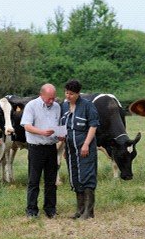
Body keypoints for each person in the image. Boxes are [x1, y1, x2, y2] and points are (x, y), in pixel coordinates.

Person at [60, 79, 99, 219]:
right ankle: (80, 210)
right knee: (75, 176)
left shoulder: (88, 106)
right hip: (71, 149)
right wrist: (64, 147)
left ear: (77, 94)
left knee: (87, 176)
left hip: (84, 148)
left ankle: (89, 211)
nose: (68, 96)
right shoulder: (64, 107)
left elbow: (93, 125)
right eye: (66, 92)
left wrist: (86, 144)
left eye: (71, 94)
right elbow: (64, 128)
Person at [20, 84, 61, 219]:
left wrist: (60, 134)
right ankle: (31, 209)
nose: (52, 101)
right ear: (41, 94)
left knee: (51, 180)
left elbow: (58, 125)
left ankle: (50, 208)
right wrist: (42, 132)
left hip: (51, 148)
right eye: (49, 98)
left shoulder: (57, 107)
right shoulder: (31, 106)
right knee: (34, 180)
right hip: (36, 148)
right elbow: (27, 126)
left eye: (53, 98)